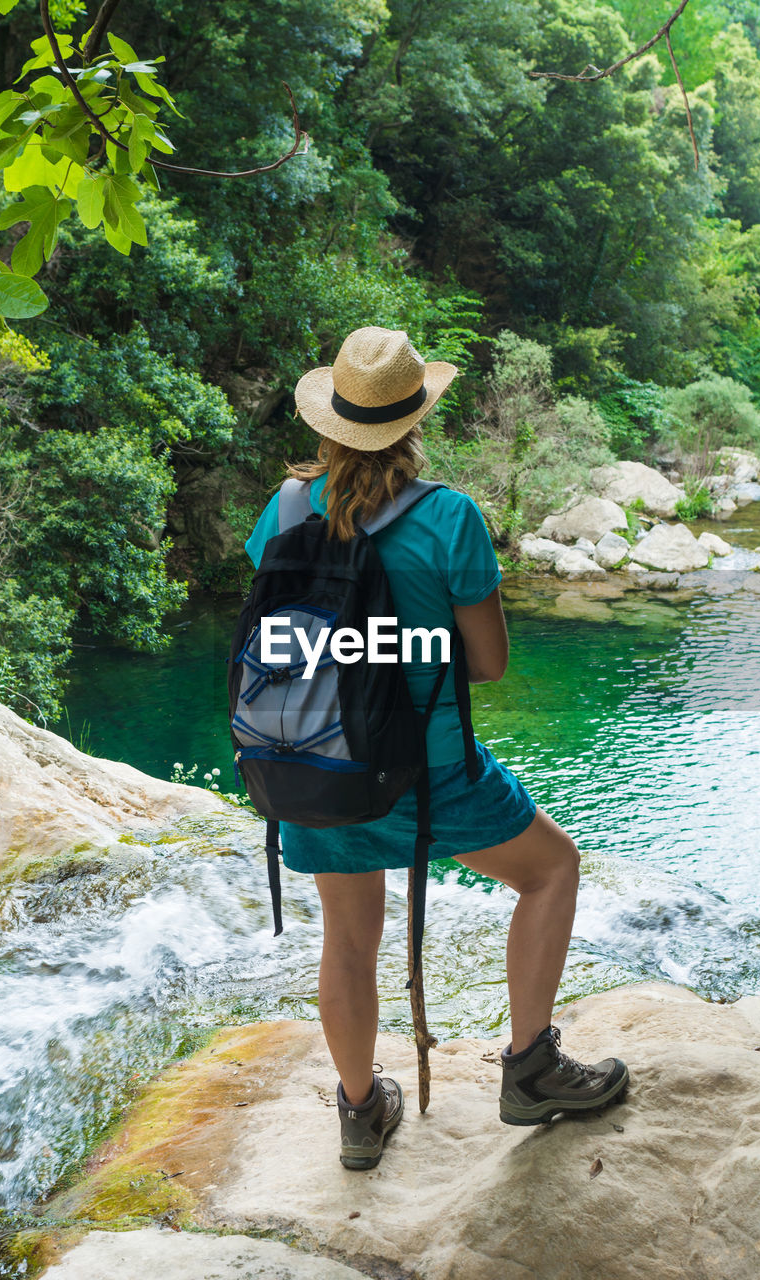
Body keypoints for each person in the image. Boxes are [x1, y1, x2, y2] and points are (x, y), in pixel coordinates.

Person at [244, 326, 628, 1170]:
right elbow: (485, 664)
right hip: (429, 772)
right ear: (414, 422)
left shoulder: (286, 505)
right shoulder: (447, 516)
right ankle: (529, 1068)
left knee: (346, 937)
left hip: (315, 761)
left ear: (332, 423)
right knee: (551, 867)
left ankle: (357, 1110)